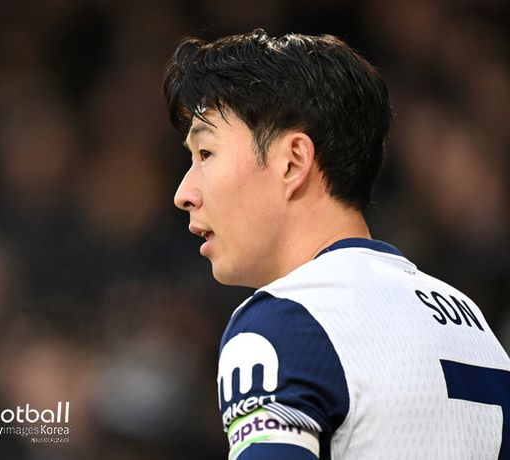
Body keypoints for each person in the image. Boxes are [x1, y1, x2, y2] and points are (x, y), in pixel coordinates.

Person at [163, 29, 510, 460]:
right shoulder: (473, 325)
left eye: (206, 153)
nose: (184, 193)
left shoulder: (285, 320)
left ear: (293, 161)